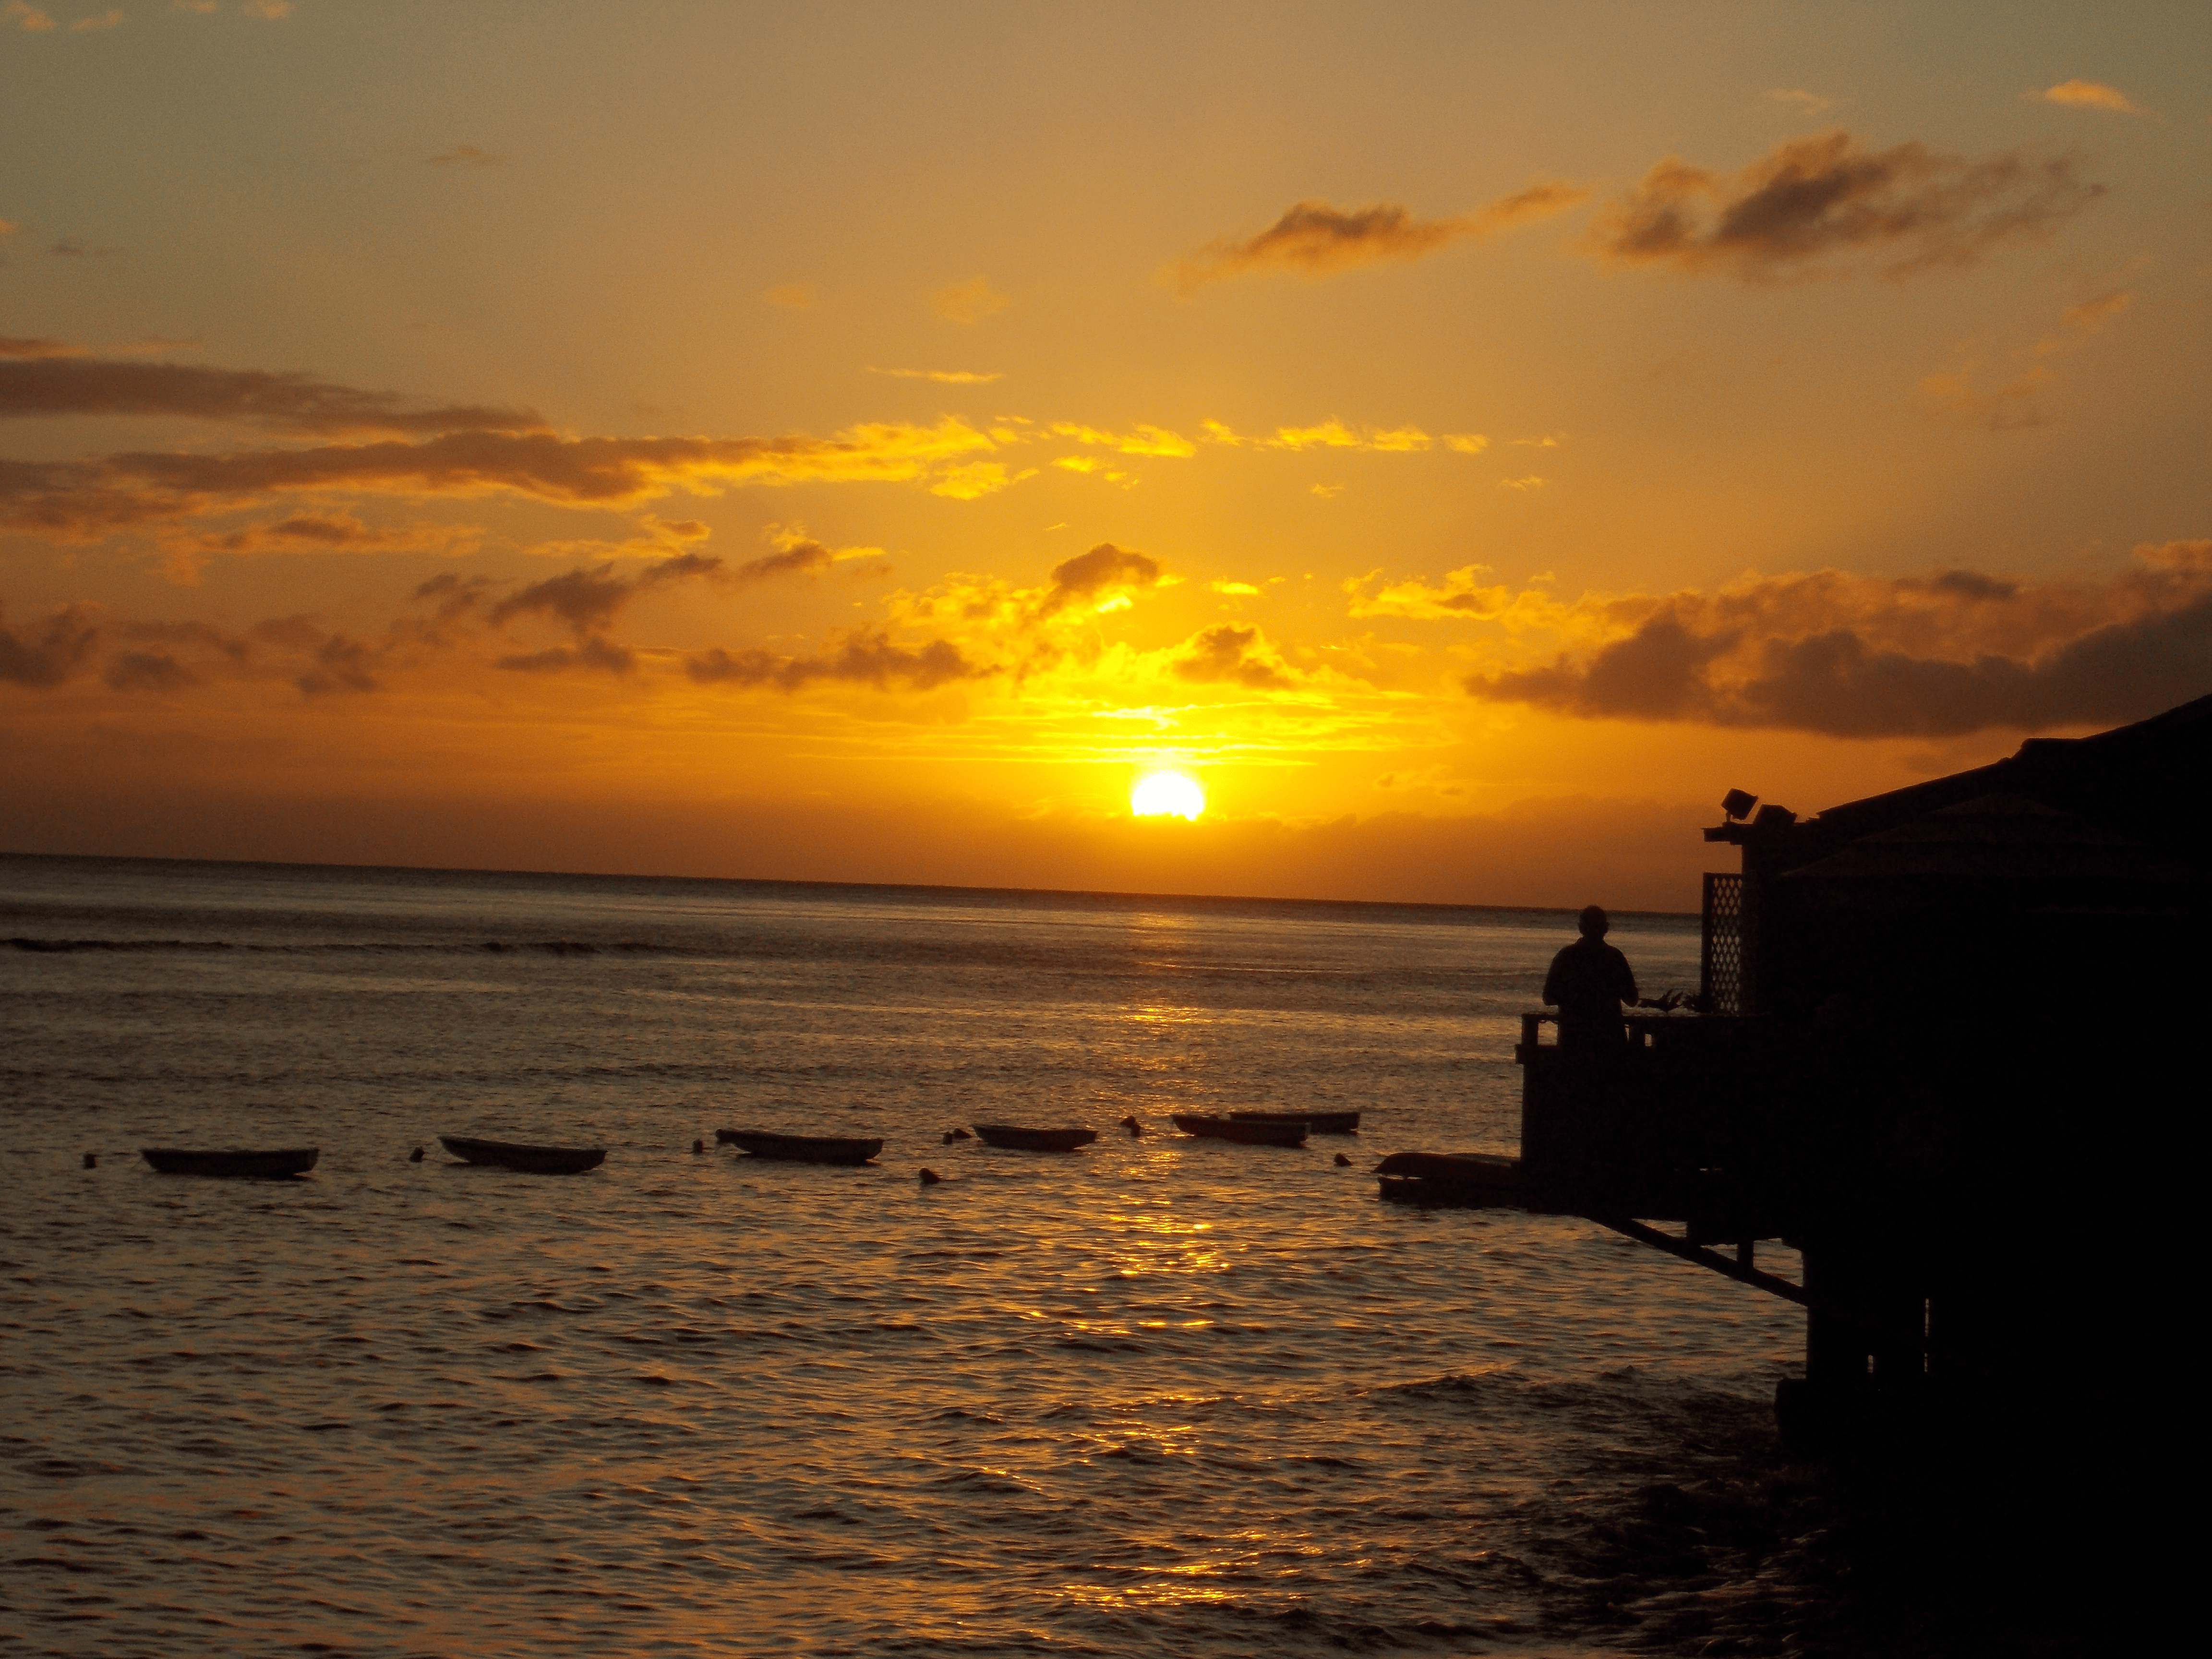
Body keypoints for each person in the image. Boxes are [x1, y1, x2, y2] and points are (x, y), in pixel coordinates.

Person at [1543, 905, 1637, 1052]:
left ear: (1581, 928)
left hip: (1573, 1041)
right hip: (1611, 1041)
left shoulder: (1566, 957)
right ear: (1606, 928)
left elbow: (1548, 998)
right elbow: (1632, 999)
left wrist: (1575, 997)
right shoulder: (1615, 958)